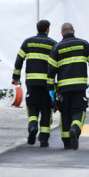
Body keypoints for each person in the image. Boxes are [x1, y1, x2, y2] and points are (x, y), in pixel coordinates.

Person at [47, 22, 89, 150]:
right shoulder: (84, 44)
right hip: (79, 86)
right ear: (73, 31)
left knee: (65, 112)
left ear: (62, 33)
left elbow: (51, 71)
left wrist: (51, 89)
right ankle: (75, 128)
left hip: (63, 87)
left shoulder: (56, 48)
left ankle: (66, 142)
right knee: (79, 111)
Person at [13, 19, 56, 147]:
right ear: (47, 29)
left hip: (32, 82)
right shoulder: (53, 44)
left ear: (37, 29)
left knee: (32, 107)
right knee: (46, 109)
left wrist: (16, 77)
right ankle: (44, 139)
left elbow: (19, 60)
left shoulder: (28, 42)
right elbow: (57, 65)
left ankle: (32, 127)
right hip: (47, 84)